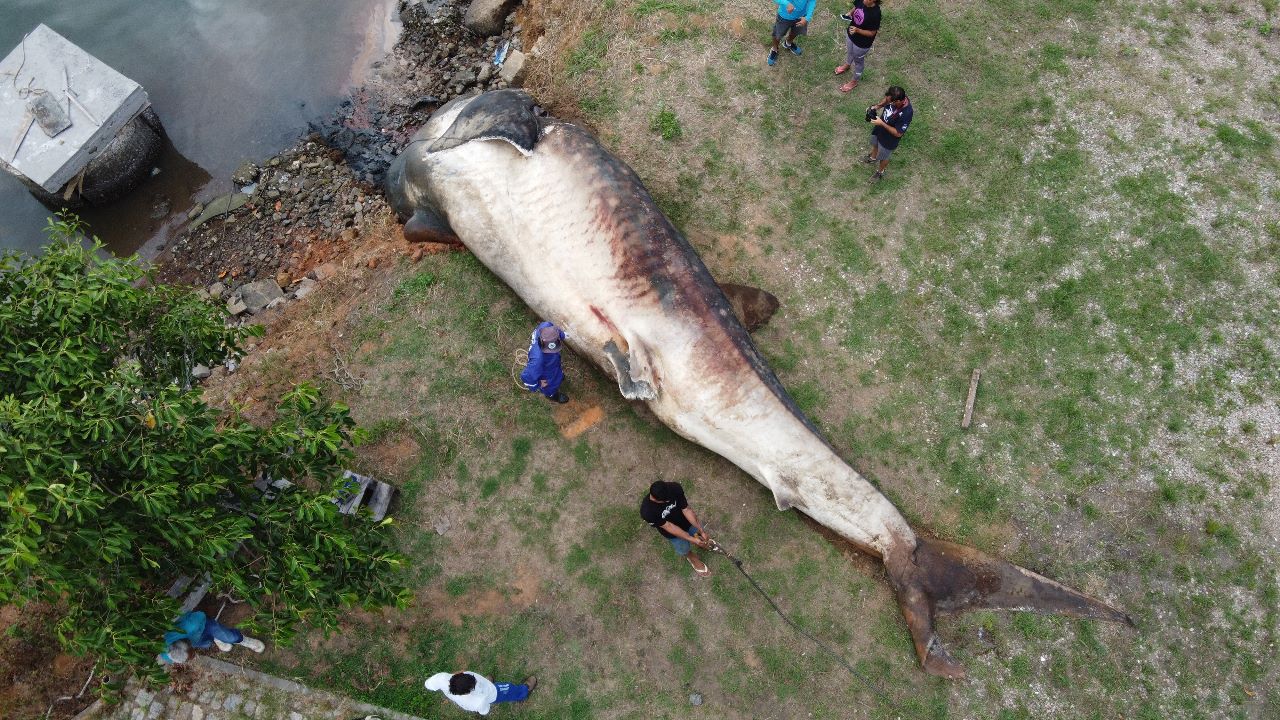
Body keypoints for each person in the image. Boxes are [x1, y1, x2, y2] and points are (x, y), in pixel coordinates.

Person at [640, 480, 713, 577]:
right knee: (683, 547)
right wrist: (691, 539)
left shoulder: (674, 487)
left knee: (699, 534)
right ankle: (691, 557)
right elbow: (668, 526)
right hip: (672, 533)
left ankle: (700, 542)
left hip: (686, 521)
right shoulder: (647, 511)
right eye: (666, 500)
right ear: (654, 499)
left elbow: (686, 509)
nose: (668, 500)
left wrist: (701, 530)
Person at [157, 610, 265, 665]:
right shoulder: (168, 655)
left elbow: (201, 615)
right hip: (194, 638)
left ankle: (244, 640)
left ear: (188, 644)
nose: (194, 656)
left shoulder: (192, 624)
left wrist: (203, 629)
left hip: (203, 625)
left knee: (229, 637)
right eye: (188, 659)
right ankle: (216, 638)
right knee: (207, 643)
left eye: (192, 653)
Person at [425, 671, 537, 715]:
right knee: (508, 689)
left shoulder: (441, 678)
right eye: (474, 684)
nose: (476, 679)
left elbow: (428, 684)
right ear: (468, 692)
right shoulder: (478, 702)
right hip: (492, 694)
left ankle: (487, 682)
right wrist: (486, 690)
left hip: (482, 690)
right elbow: (484, 710)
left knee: (483, 682)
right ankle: (523, 691)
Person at [864, 86, 912, 182]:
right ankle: (873, 158)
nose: (888, 102)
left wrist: (882, 123)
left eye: (891, 102)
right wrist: (877, 106)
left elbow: (898, 133)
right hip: (879, 127)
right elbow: (887, 99)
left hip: (889, 139)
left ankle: (880, 172)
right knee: (875, 143)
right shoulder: (895, 96)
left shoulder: (907, 113)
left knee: (884, 156)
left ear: (898, 101)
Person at [836, 0, 881, 92]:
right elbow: (856, 7)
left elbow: (872, 33)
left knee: (858, 61)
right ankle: (847, 65)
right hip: (851, 34)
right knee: (849, 51)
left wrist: (857, 30)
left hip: (862, 43)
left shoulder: (876, 13)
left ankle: (854, 81)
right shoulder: (862, 1)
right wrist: (850, 13)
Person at [519, 321, 568, 404]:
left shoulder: (546, 326)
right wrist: (538, 384)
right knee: (551, 386)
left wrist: (563, 335)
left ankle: (559, 376)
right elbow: (527, 377)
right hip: (547, 374)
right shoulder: (537, 360)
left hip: (553, 363)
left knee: (557, 370)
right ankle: (553, 395)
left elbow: (555, 332)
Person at [768, 0, 817, 66]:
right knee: (777, 34)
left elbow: (812, 1)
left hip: (801, 17)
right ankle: (774, 49)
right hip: (784, 16)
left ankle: (788, 43)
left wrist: (807, 17)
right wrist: (787, 3)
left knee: (796, 32)